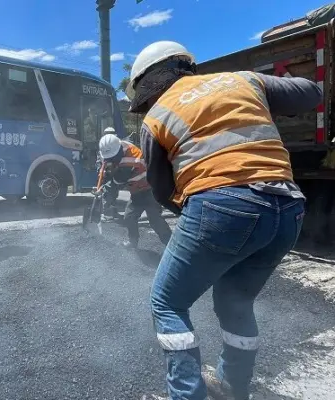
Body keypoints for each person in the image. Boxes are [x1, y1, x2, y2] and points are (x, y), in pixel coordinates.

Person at [125, 41, 321, 399]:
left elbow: (162, 189)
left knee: (167, 302)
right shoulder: (243, 80)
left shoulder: (156, 118)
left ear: (150, 81)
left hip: (220, 205)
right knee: (235, 300)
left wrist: (204, 221)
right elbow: (310, 93)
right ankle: (233, 386)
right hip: (288, 208)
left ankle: (187, 394)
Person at [97, 133, 172, 248]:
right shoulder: (119, 145)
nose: (110, 160)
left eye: (112, 158)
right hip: (136, 191)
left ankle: (171, 245)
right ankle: (132, 242)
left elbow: (117, 182)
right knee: (129, 217)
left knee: (155, 220)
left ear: (118, 151)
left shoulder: (130, 160)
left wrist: (105, 199)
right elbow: (105, 163)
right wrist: (102, 174)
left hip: (150, 190)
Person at [95, 127, 119, 221]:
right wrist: (100, 170)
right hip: (105, 175)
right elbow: (98, 162)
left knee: (114, 193)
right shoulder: (102, 148)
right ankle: (105, 213)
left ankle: (113, 212)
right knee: (106, 193)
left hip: (114, 174)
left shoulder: (117, 147)